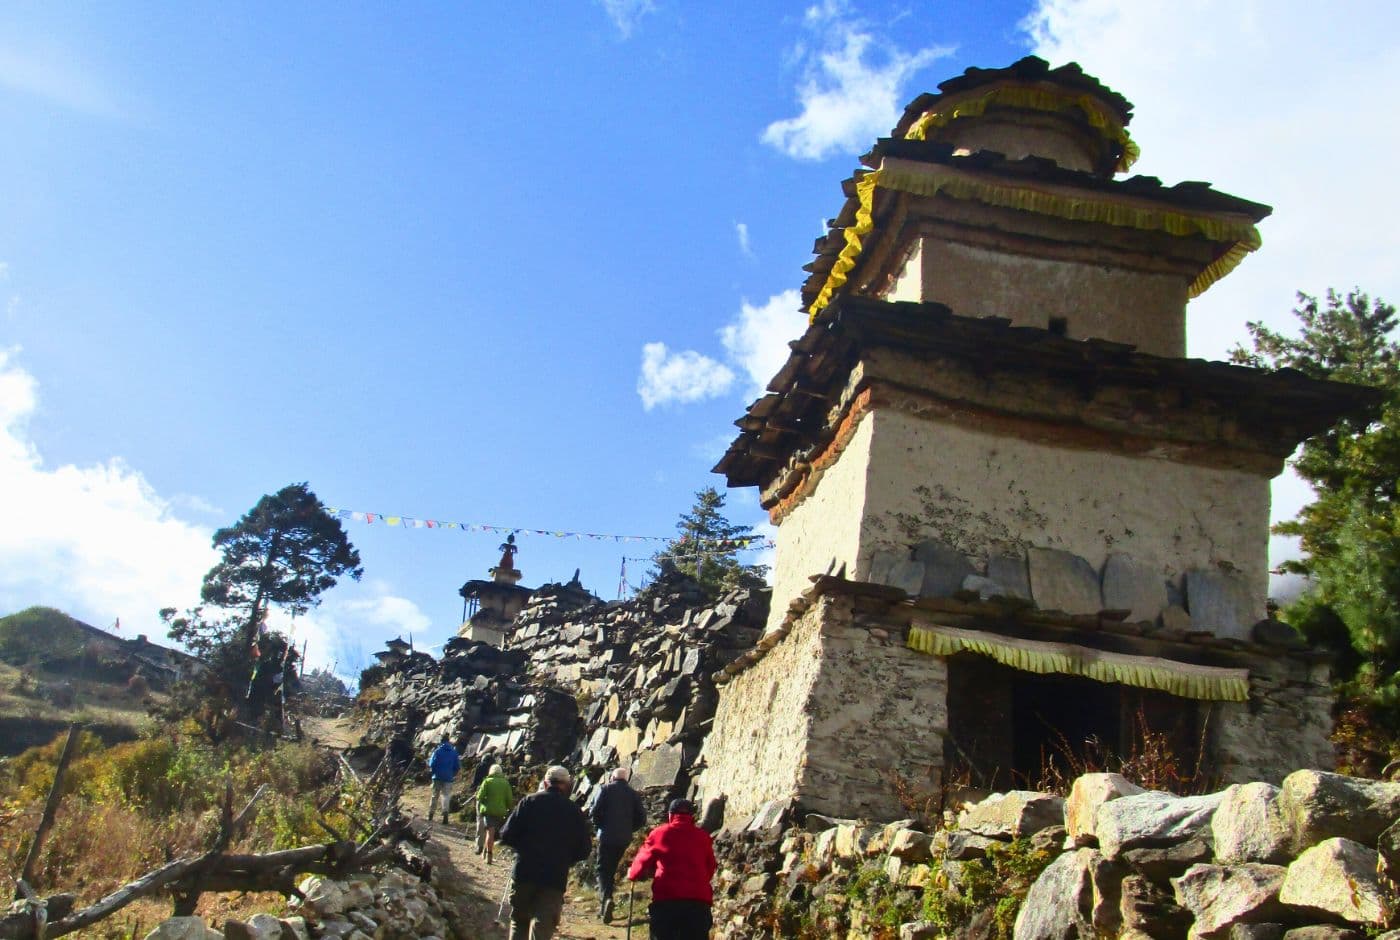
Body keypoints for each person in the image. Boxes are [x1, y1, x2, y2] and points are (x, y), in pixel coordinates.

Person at [498, 765, 592, 940]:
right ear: (566, 785)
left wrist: (521, 847)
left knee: (519, 921)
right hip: (555, 876)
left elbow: (506, 834)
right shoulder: (574, 812)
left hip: (525, 871)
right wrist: (567, 859)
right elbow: (585, 849)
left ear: (546, 783)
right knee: (544, 926)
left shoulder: (529, 802)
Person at [627, 799, 717, 940]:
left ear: (670, 815)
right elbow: (710, 866)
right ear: (692, 816)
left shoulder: (659, 834)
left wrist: (633, 874)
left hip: (667, 899)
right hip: (698, 902)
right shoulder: (703, 837)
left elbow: (642, 859)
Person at [589, 767, 647, 923]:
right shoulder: (633, 794)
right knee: (611, 868)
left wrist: (599, 826)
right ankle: (605, 904)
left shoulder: (605, 789)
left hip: (606, 836)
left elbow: (593, 812)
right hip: (624, 838)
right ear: (626, 779)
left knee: (602, 869)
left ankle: (606, 900)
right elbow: (642, 818)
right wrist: (630, 829)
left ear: (612, 777)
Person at [475, 762, 514, 864]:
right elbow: (509, 800)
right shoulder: (505, 783)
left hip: (489, 811)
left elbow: (479, 797)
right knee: (492, 834)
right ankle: (485, 852)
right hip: (501, 812)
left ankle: (489, 855)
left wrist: (484, 803)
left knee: (490, 833)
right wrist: (509, 809)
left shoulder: (487, 781)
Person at [426, 736, 460, 825]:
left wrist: (433, 773)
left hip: (437, 776)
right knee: (446, 796)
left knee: (435, 796)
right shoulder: (454, 752)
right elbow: (457, 766)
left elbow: (432, 764)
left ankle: (431, 814)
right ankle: (445, 815)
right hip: (448, 778)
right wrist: (452, 774)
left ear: (441, 742)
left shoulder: (437, 751)